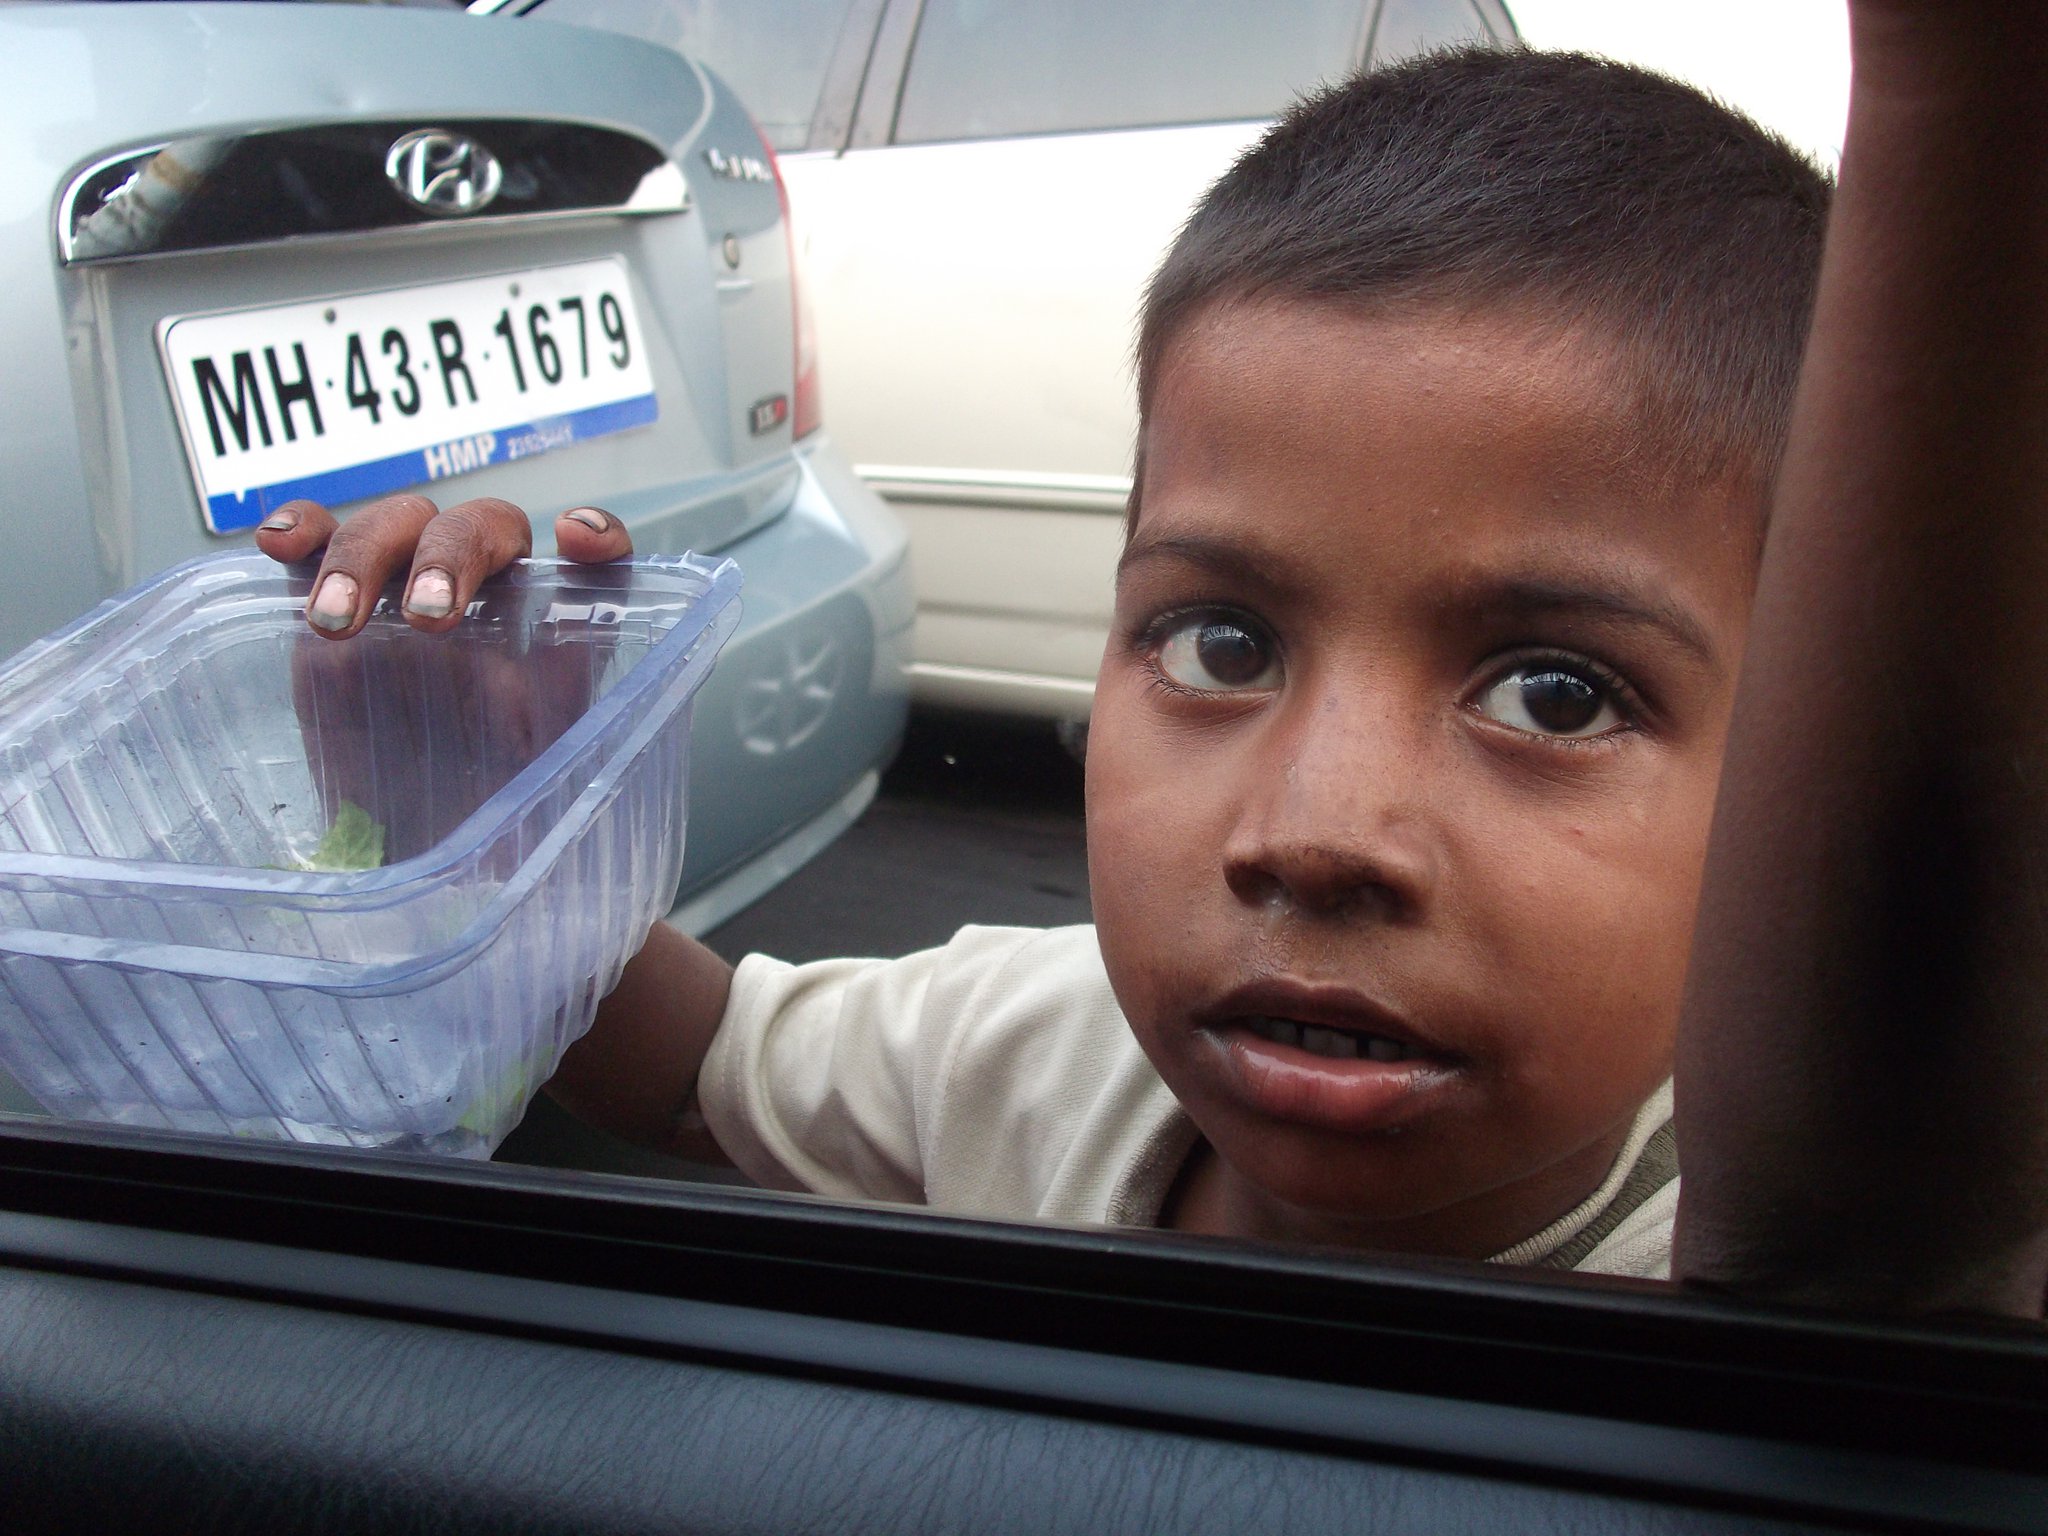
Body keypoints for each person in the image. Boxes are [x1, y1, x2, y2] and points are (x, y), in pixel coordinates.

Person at [256, 7, 2048, 1315]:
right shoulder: (1040, 1048)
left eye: (1554, 694)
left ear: (1797, 779)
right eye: (1221, 641)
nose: (1317, 831)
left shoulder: (1821, 1236)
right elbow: (692, 1061)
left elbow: (1879, 1177)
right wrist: (490, 827)